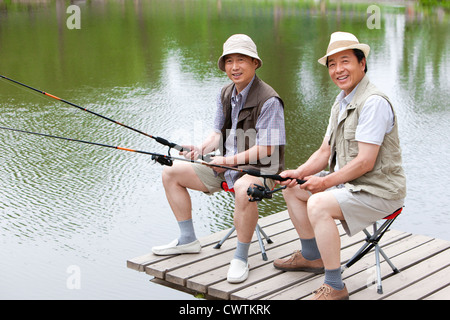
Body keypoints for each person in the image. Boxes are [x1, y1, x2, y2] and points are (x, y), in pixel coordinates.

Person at [274, 31, 406, 300]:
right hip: (352, 185)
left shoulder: (373, 103)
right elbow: (325, 151)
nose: (337, 70)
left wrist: (323, 183)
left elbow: (365, 162)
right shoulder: (341, 101)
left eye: (344, 61)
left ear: (362, 63)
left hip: (380, 192)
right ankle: (312, 256)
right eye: (332, 64)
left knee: (318, 203)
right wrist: (298, 174)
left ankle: (335, 285)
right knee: (294, 189)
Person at [152, 34, 286, 284]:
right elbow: (216, 134)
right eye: (229, 61)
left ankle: (241, 256)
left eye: (241, 60)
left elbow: (268, 149)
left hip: (262, 171)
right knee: (171, 172)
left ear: (255, 63)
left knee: (245, 188)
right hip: (226, 167)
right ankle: (187, 240)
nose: (234, 67)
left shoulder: (269, 100)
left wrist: (227, 160)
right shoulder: (226, 94)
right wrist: (201, 150)